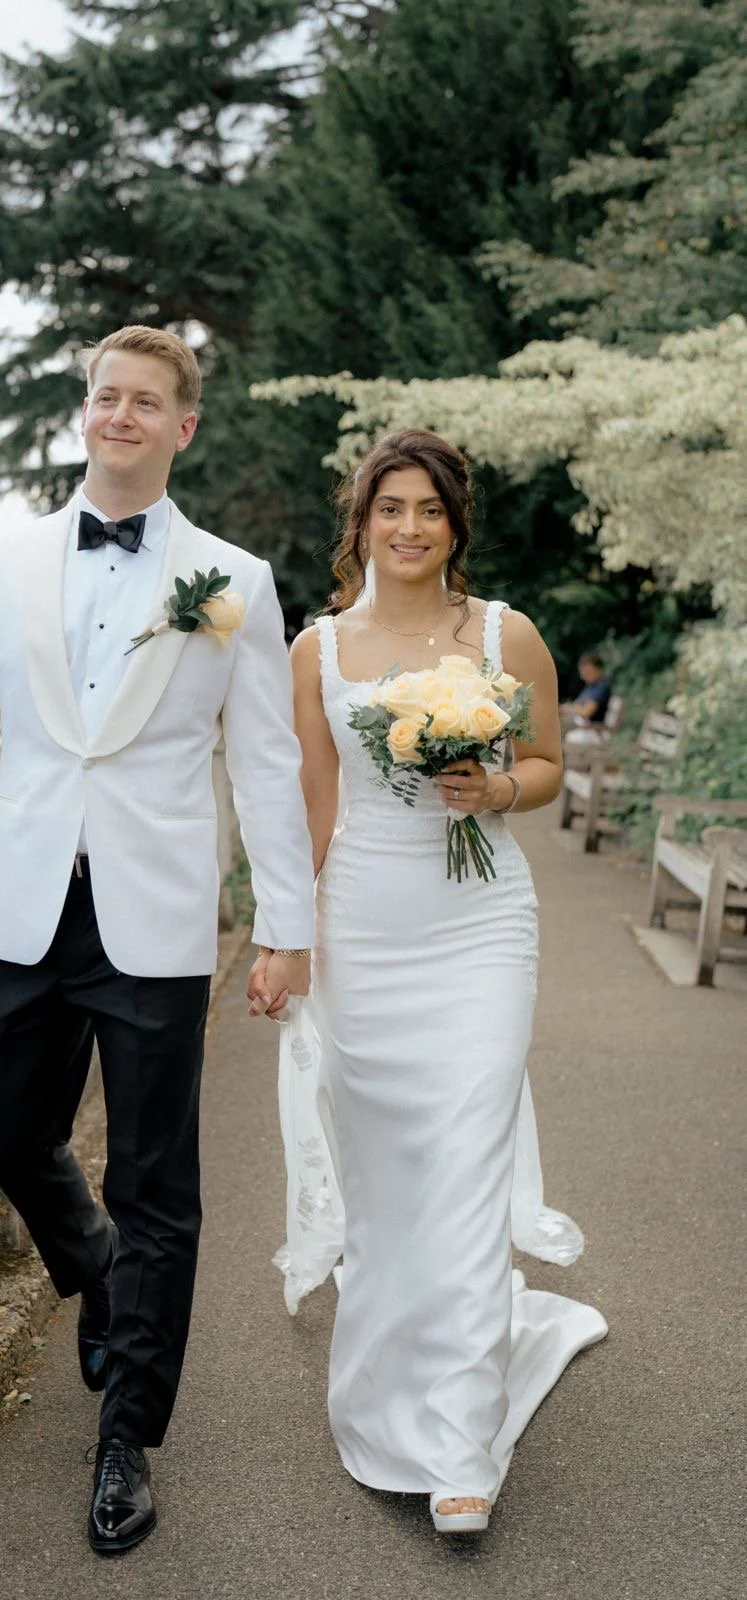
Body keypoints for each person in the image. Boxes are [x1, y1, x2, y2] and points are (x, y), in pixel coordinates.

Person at [0, 325, 314, 1556]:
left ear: (183, 426)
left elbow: (267, 766)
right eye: (103, 396)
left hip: (157, 916)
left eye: (145, 402)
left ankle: (127, 1435)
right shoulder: (2, 562)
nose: (119, 415)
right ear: (85, 413)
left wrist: (285, 925)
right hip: (21, 904)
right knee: (12, 1131)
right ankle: (93, 1264)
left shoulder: (231, 578)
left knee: (157, 1183)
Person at [250, 429, 606, 1535]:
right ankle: (400, 1358)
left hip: (481, 924)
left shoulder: (505, 633)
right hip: (363, 923)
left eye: (429, 510)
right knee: (389, 1169)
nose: (408, 528)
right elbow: (314, 800)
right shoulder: (314, 650)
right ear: (358, 522)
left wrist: (494, 789)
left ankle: (456, 1445)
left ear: (455, 525)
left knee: (462, 1154)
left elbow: (544, 763)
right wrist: (283, 935)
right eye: (387, 508)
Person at [562, 652, 614, 749]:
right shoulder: (590, 687)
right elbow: (577, 706)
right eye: (582, 671)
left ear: (597, 669)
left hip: (592, 731)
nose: (583, 675)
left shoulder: (601, 687)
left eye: (587, 671)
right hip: (582, 728)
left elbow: (586, 712)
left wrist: (573, 707)